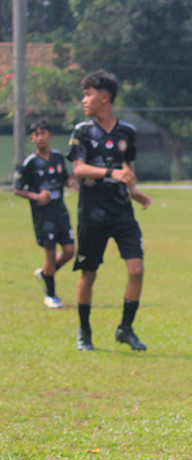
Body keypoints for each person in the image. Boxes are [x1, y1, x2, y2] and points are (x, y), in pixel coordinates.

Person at [68, 70, 153, 352]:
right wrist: (110, 173)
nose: (84, 100)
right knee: (88, 275)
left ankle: (125, 329)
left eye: (88, 95)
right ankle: (84, 331)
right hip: (92, 215)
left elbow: (127, 165)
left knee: (137, 269)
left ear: (104, 98)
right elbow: (79, 169)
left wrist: (133, 189)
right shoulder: (82, 131)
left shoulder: (127, 132)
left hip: (122, 213)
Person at [13, 119, 77, 309]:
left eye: (43, 133)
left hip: (60, 211)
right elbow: (17, 189)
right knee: (50, 253)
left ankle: (45, 274)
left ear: (50, 135)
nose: (40, 138)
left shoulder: (57, 157)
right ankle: (51, 295)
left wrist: (70, 182)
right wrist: (36, 196)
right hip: (43, 216)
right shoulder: (30, 162)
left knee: (69, 251)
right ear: (32, 138)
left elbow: (64, 178)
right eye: (36, 135)